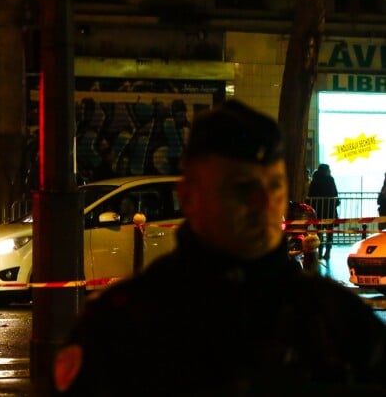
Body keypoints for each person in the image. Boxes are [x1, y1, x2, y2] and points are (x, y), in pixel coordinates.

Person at [52, 99, 386, 396]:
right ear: (189, 197)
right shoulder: (123, 326)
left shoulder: (335, 320)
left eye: (275, 185)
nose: (264, 202)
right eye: (242, 188)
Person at [307, 163, 339, 260]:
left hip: (318, 209)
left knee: (319, 231)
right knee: (329, 231)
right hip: (329, 209)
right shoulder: (330, 179)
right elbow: (334, 192)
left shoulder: (315, 180)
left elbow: (310, 194)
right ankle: (327, 252)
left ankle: (319, 251)